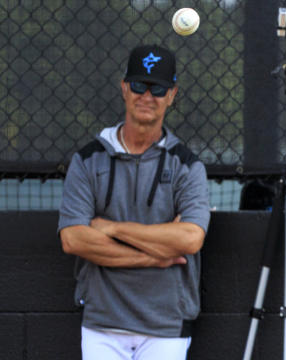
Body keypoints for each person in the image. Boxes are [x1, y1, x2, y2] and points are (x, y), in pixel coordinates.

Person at [58, 45, 210, 359]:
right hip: (103, 324)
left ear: (172, 94)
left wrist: (111, 228)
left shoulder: (187, 165)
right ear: (125, 88)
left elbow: (191, 238)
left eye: (158, 88)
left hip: (167, 325)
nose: (147, 96)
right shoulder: (87, 160)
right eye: (139, 85)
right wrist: (155, 256)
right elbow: (74, 239)